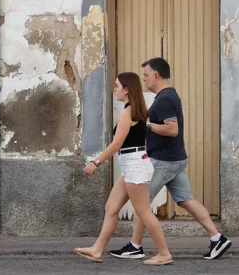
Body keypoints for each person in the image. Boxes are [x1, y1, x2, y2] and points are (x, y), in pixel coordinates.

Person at [108, 58, 232, 261]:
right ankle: (217, 238)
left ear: (156, 76)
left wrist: (147, 125)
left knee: (142, 203)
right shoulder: (167, 96)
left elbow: (172, 129)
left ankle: (135, 246)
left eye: (146, 76)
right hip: (174, 159)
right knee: (185, 199)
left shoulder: (165, 99)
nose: (144, 80)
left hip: (163, 160)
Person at [74, 72, 173, 266]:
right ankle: (97, 249)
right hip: (132, 164)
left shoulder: (127, 113)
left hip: (135, 165)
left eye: (117, 86)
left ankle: (164, 253)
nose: (115, 90)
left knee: (143, 211)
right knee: (111, 208)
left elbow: (116, 144)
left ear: (127, 89)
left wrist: (95, 162)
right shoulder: (136, 111)